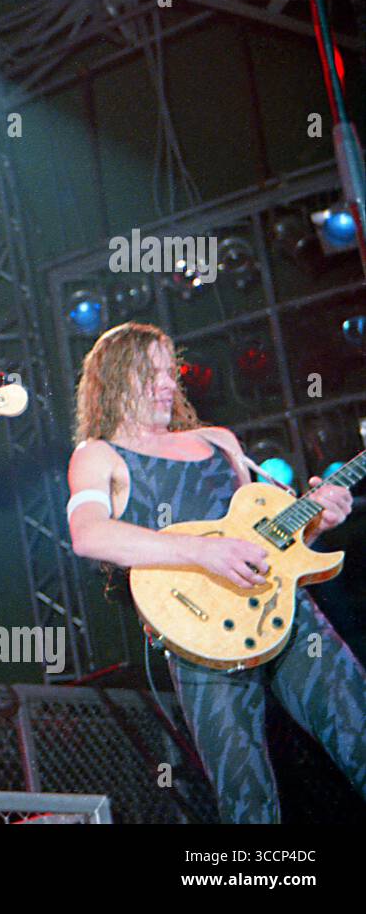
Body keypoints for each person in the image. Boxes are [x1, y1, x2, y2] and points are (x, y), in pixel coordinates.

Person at [66, 321, 365, 823]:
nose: (167, 383)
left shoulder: (220, 441)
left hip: (282, 611)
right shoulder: (98, 455)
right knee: (245, 795)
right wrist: (202, 553)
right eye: (150, 373)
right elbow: (89, 535)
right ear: (114, 380)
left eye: (169, 372)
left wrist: (317, 522)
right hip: (199, 635)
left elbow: (266, 546)